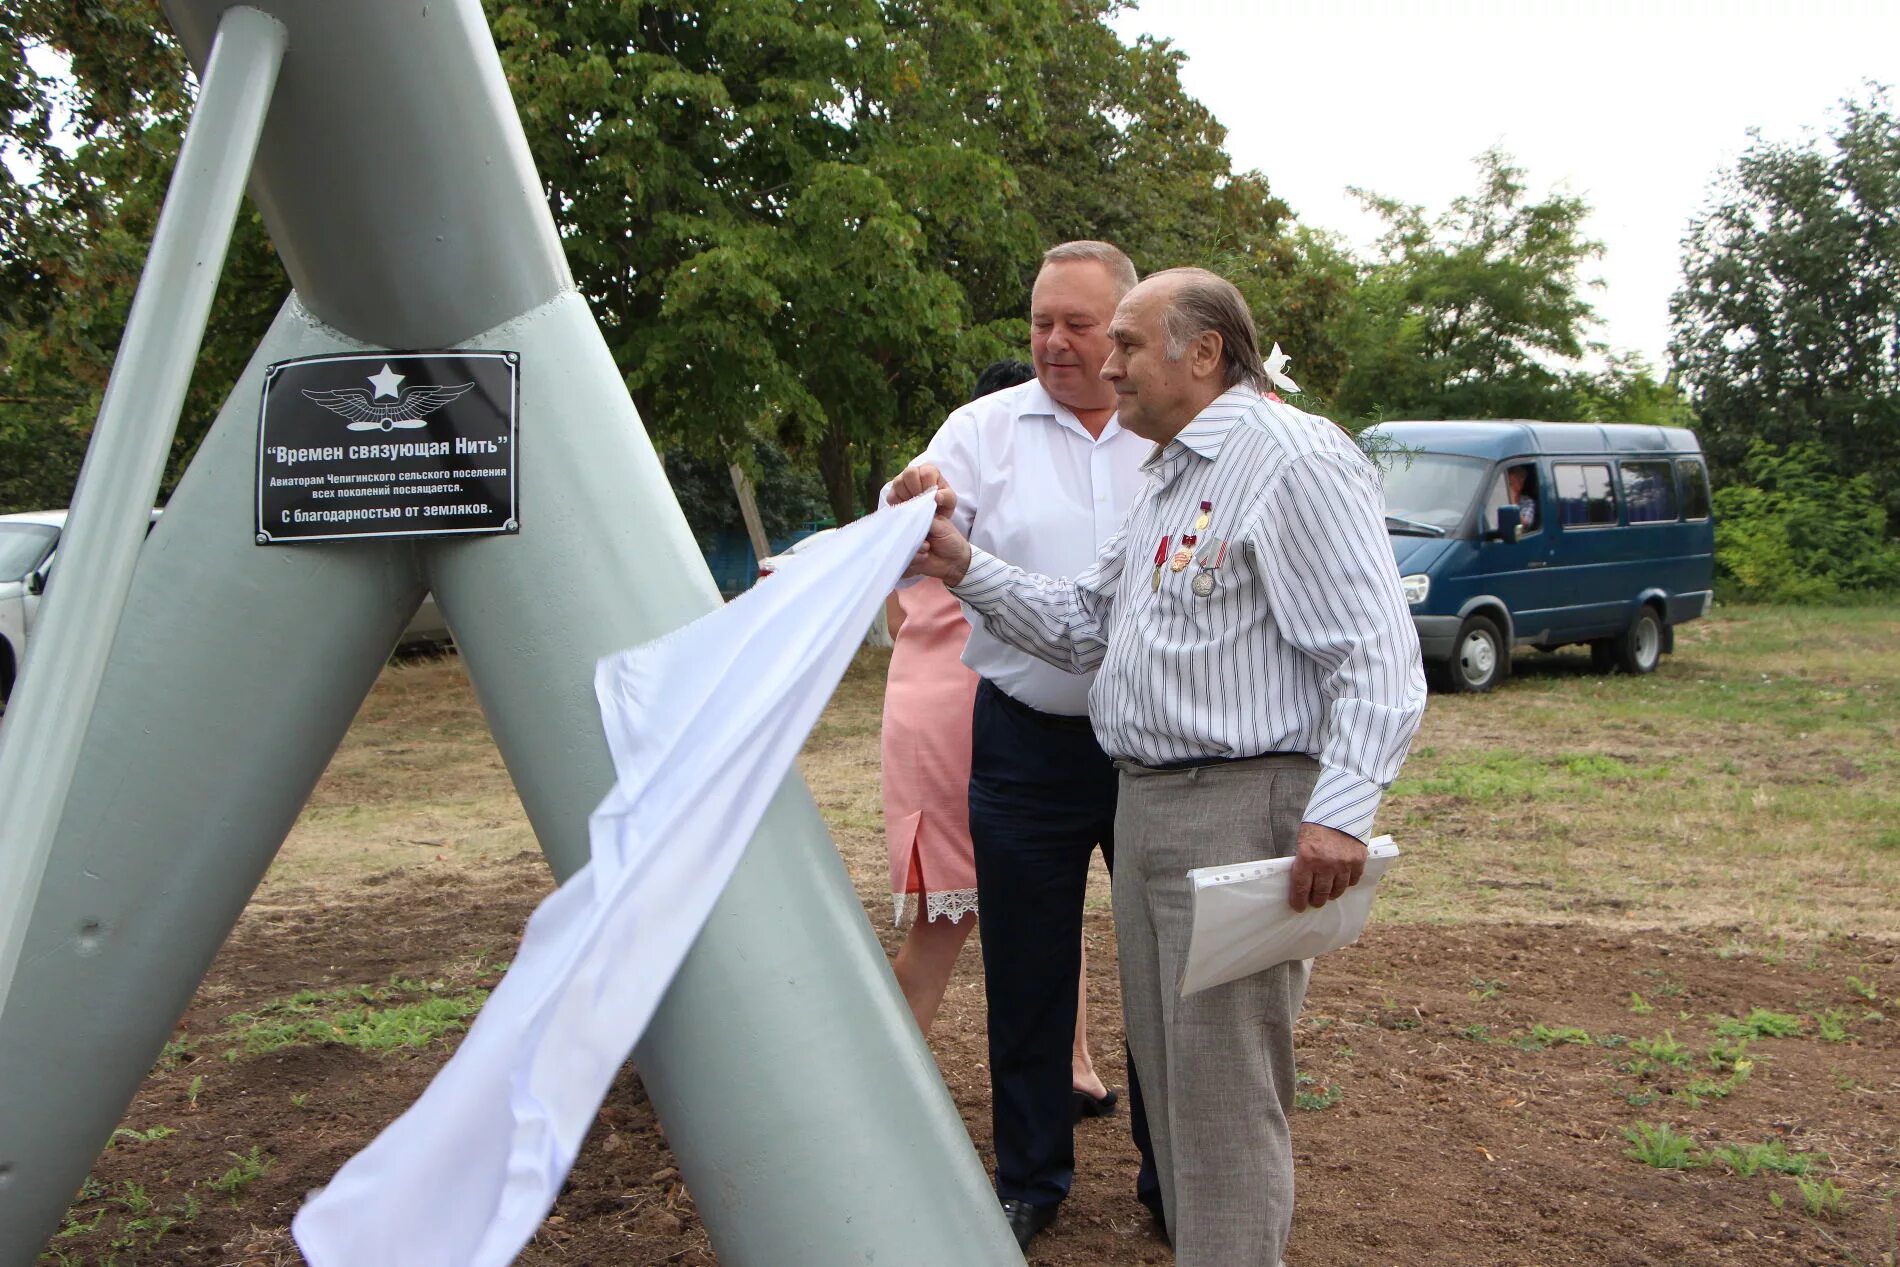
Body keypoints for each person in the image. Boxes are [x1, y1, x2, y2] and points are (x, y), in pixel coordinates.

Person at [888, 266, 1426, 1266]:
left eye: (1126, 343)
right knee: (1176, 1090)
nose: (1104, 362)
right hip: (1149, 808)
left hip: (1239, 808)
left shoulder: (1291, 459)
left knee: (1220, 1095)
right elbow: (1087, 622)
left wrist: (1339, 813)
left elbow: (1375, 654)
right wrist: (960, 563)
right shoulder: (1174, 472)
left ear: (1204, 352)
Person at [884, 243, 1157, 1251]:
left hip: (1156, 749)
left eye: (1078, 325)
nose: (1053, 343)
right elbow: (912, 508)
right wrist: (913, 498)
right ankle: (1031, 1179)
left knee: (1169, 969)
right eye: (1041, 322)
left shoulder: (1173, 425)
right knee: (1027, 969)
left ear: (1127, 330)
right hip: (1022, 742)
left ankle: (1169, 1177)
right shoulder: (983, 428)